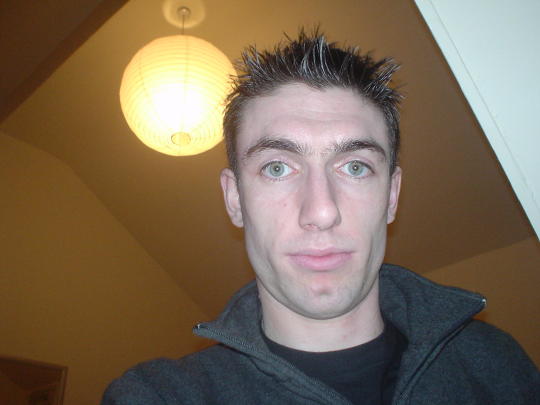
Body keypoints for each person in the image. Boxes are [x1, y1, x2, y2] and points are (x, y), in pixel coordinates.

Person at [102, 30, 539, 405]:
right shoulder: (159, 395)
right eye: (277, 168)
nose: (322, 211)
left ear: (392, 195)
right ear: (235, 199)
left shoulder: (497, 366)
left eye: (355, 167)